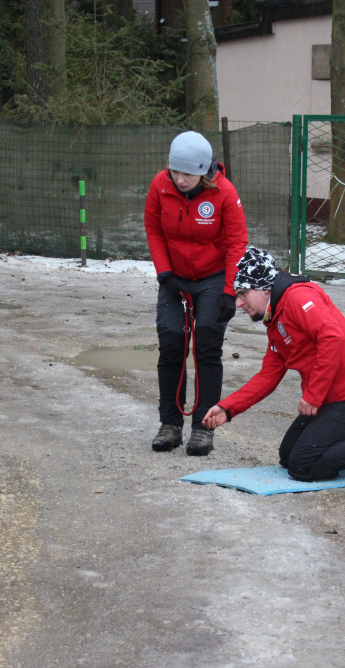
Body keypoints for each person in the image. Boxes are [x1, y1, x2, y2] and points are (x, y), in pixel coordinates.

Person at [201, 246, 345, 481]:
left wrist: (313, 395)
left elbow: (331, 337)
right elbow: (268, 377)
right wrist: (228, 408)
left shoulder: (297, 297)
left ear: (263, 288)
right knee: (289, 455)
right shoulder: (274, 321)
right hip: (332, 401)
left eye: (243, 293)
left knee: (303, 465)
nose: (238, 303)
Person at [145, 131, 248, 456]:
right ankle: (170, 424)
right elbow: (153, 229)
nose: (180, 179)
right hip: (174, 277)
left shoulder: (224, 193)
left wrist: (230, 291)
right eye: (175, 171)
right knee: (171, 343)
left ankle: (203, 428)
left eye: (187, 173)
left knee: (206, 345)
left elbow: (236, 243)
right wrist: (164, 272)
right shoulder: (160, 186)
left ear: (204, 171)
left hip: (212, 277)